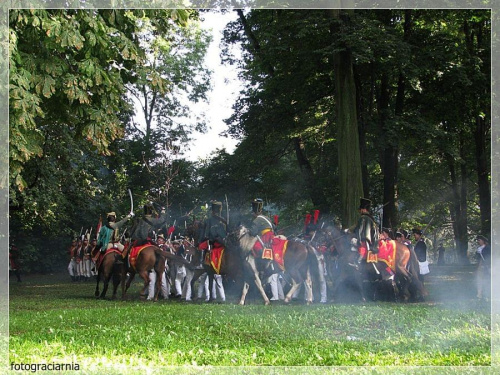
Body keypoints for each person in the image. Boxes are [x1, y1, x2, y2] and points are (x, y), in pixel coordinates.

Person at [197, 201, 227, 269]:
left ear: (212, 211)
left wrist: (200, 240)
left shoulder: (208, 220)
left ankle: (201, 263)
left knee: (201, 246)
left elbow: (206, 234)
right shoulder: (223, 220)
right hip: (223, 242)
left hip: (213, 242)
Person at [351, 198, 379, 262]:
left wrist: (359, 239)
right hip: (373, 240)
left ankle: (357, 260)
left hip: (366, 240)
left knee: (352, 241)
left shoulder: (363, 218)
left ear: (363, 210)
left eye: (360, 210)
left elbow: (359, 229)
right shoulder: (370, 219)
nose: (360, 211)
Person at [475, 235, 491, 300]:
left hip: (488, 266)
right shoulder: (479, 249)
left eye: (479, 240)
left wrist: (488, 265)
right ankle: (479, 295)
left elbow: (489, 257)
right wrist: (478, 267)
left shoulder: (488, 248)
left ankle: (487, 295)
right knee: (480, 280)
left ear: (483, 241)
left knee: (487, 280)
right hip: (481, 267)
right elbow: (479, 259)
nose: (478, 242)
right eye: (478, 240)